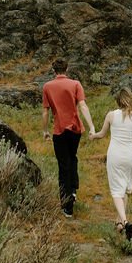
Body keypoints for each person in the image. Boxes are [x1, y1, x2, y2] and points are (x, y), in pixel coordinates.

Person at [42, 58, 95, 218]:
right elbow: (83, 105)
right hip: (75, 129)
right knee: (72, 157)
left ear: (53, 70)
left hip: (59, 130)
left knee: (63, 164)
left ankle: (67, 206)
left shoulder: (47, 87)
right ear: (67, 69)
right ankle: (73, 190)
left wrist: (45, 130)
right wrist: (91, 126)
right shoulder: (75, 84)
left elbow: (46, 111)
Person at [90, 86, 132, 239]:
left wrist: (93, 136)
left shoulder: (111, 115)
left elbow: (101, 134)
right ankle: (119, 223)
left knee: (116, 191)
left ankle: (125, 222)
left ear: (118, 101)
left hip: (115, 155)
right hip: (130, 155)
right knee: (125, 189)